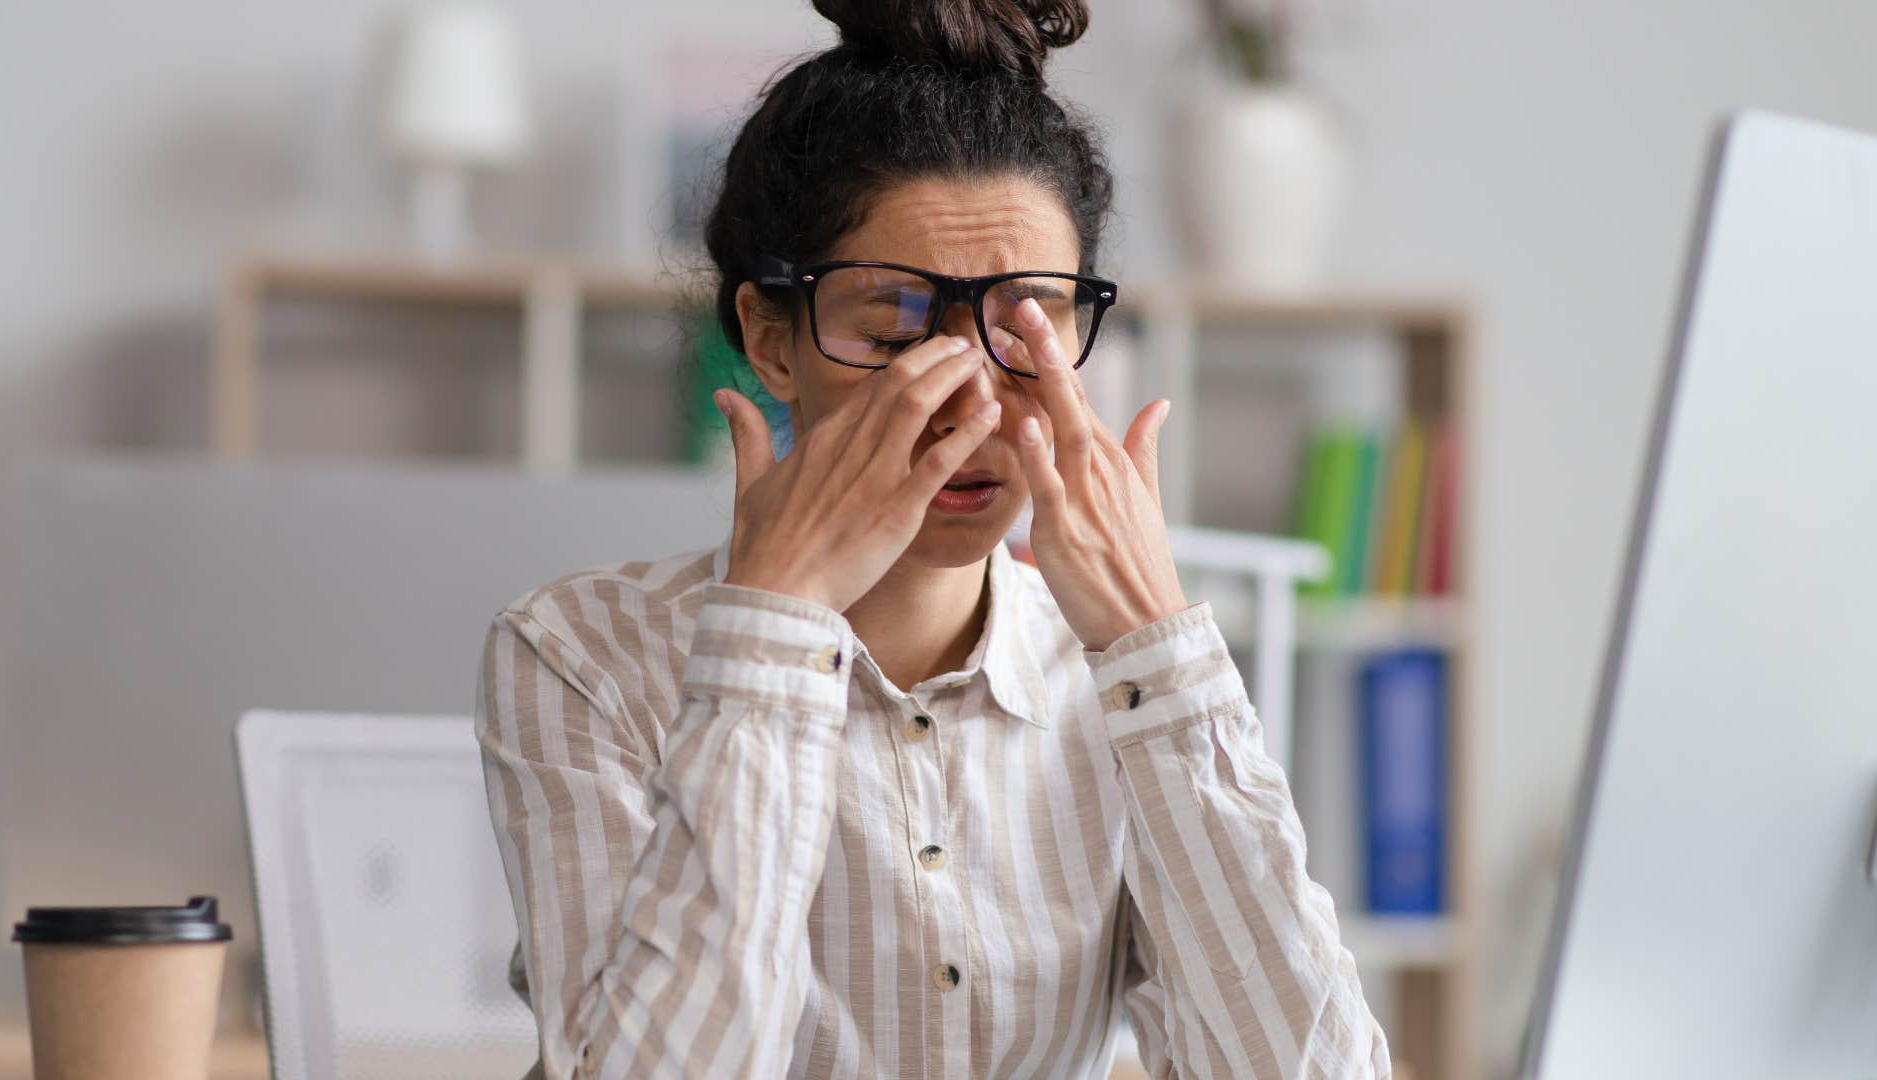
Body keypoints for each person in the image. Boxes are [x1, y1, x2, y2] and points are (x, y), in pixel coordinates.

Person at [475, 0, 1390, 1075]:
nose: (972, 405)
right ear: (772, 341)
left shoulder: (1120, 686)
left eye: (1025, 327)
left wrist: (1162, 653)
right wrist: (771, 640)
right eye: (896, 328)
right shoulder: (583, 655)